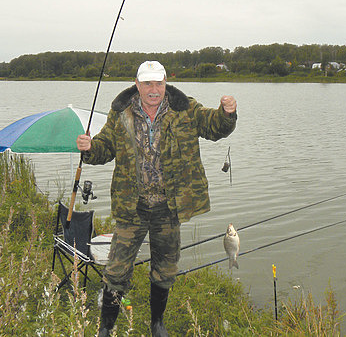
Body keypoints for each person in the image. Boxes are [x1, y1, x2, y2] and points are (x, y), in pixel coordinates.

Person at [76, 60, 237, 337]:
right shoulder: (120, 113)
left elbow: (215, 128)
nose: (153, 89)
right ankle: (106, 327)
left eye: (158, 83)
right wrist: (90, 148)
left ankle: (157, 323)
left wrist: (227, 113)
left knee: (165, 269)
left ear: (166, 83)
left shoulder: (185, 109)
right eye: (147, 83)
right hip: (132, 207)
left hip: (169, 207)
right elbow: (105, 149)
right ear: (137, 85)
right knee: (116, 270)